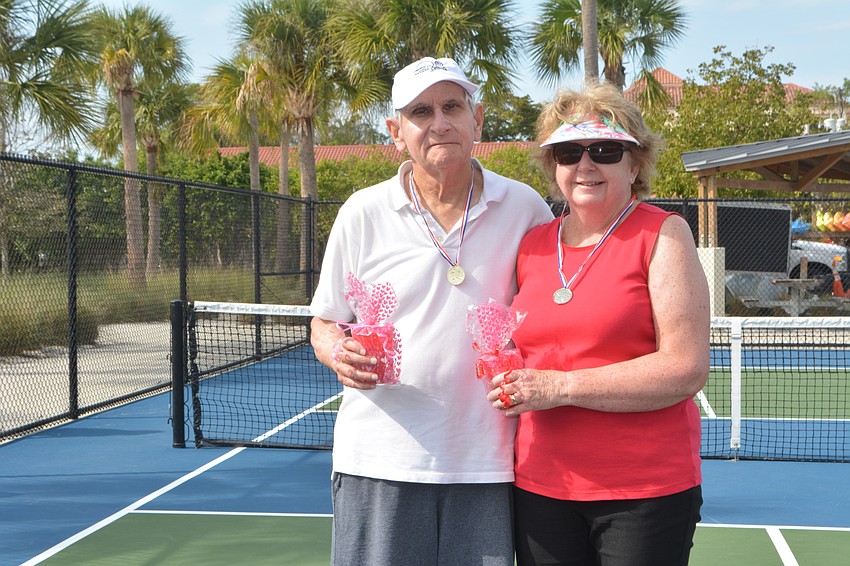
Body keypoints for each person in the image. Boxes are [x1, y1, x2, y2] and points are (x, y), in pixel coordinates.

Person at [309, 56, 553, 565]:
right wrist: (338, 352)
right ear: (396, 132)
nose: (439, 123)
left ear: (477, 120)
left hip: (487, 464)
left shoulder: (527, 207)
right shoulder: (361, 212)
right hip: (379, 460)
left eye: (451, 107)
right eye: (421, 111)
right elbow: (324, 321)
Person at [489, 83, 710, 565]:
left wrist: (560, 386)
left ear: (635, 164)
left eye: (605, 150)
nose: (585, 165)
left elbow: (686, 368)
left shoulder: (663, 234)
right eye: (569, 152)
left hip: (644, 493)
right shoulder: (532, 246)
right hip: (540, 486)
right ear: (553, 169)